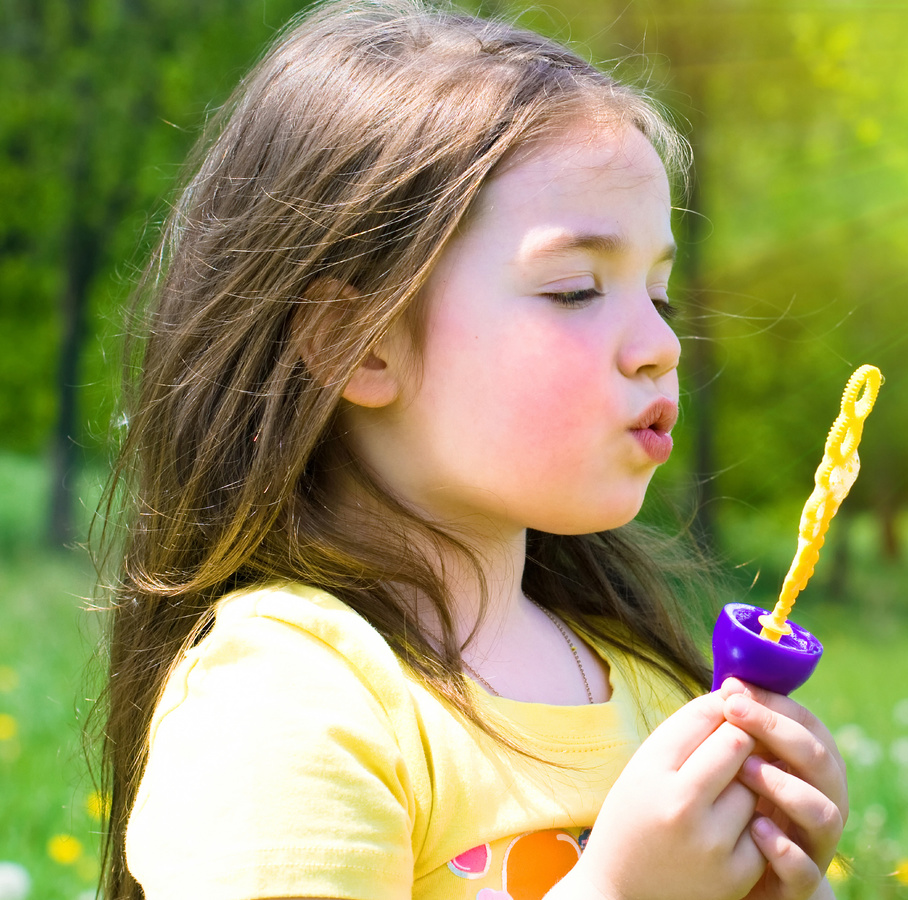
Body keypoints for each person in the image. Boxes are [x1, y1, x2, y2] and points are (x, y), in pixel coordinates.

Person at [92, 2, 848, 898]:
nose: (659, 344)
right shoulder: (287, 700)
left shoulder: (651, 687)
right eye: (574, 289)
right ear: (355, 341)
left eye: (660, 296)